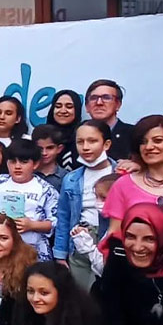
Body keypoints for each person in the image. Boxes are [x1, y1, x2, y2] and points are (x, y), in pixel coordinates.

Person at [53, 120, 117, 290]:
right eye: (80, 142)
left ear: (106, 144)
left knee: (108, 292)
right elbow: (64, 217)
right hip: (79, 238)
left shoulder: (120, 174)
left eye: (92, 141)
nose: (85, 147)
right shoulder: (71, 178)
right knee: (80, 294)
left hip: (110, 239)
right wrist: (60, 255)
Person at [0, 139, 58, 261]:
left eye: (24, 162)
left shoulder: (46, 189)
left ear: (35, 164)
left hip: (33, 251)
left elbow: (55, 222)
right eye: (12, 162)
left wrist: (31, 225)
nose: (17, 166)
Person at [85, 79, 136, 161]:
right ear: (87, 106)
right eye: (93, 98)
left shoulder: (133, 134)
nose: (99, 102)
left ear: (118, 105)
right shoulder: (76, 135)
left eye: (106, 98)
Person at [45, 90, 84, 170]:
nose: (63, 111)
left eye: (69, 107)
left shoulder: (82, 138)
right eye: (58, 106)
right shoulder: (42, 135)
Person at [32, 125, 69, 191]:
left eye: (50, 148)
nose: (44, 153)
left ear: (59, 149)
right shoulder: (26, 173)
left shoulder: (67, 178)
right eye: (39, 148)